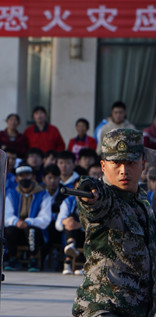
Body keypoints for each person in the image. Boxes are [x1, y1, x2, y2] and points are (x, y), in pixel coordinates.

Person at [73, 128, 156, 316]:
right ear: (103, 166)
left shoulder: (142, 201)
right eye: (116, 163)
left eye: (131, 163)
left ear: (143, 164)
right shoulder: (106, 198)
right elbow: (94, 197)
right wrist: (88, 193)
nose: (123, 171)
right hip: (103, 308)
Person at [4, 162, 52, 272]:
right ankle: (12, 258)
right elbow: (7, 215)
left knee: (31, 230)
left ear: (33, 177)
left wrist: (29, 222)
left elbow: (45, 218)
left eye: (27, 175)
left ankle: (33, 259)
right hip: (17, 229)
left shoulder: (43, 194)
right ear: (16, 179)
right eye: (21, 176)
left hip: (34, 231)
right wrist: (16, 221)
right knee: (10, 230)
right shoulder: (11, 194)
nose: (24, 178)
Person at [56, 180, 84, 276]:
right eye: (77, 188)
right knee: (70, 220)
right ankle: (71, 245)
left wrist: (80, 225)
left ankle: (68, 261)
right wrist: (68, 222)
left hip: (84, 232)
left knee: (74, 226)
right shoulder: (68, 201)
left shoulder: (93, 203)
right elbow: (59, 224)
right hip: (70, 230)